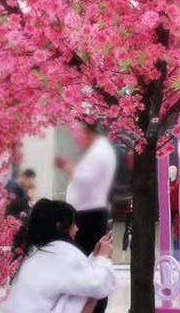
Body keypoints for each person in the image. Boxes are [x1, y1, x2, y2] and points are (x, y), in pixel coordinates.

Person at [5, 199, 116, 313]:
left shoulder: (34, 251)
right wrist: (103, 258)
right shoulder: (63, 251)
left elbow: (71, 275)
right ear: (59, 226)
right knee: (85, 294)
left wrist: (94, 256)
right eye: (73, 224)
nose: (77, 229)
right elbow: (98, 286)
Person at [56, 127, 117, 313]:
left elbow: (85, 179)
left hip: (90, 215)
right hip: (87, 213)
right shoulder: (98, 150)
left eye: (78, 135)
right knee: (86, 261)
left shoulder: (100, 151)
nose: (76, 140)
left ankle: (93, 306)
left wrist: (66, 167)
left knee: (89, 261)